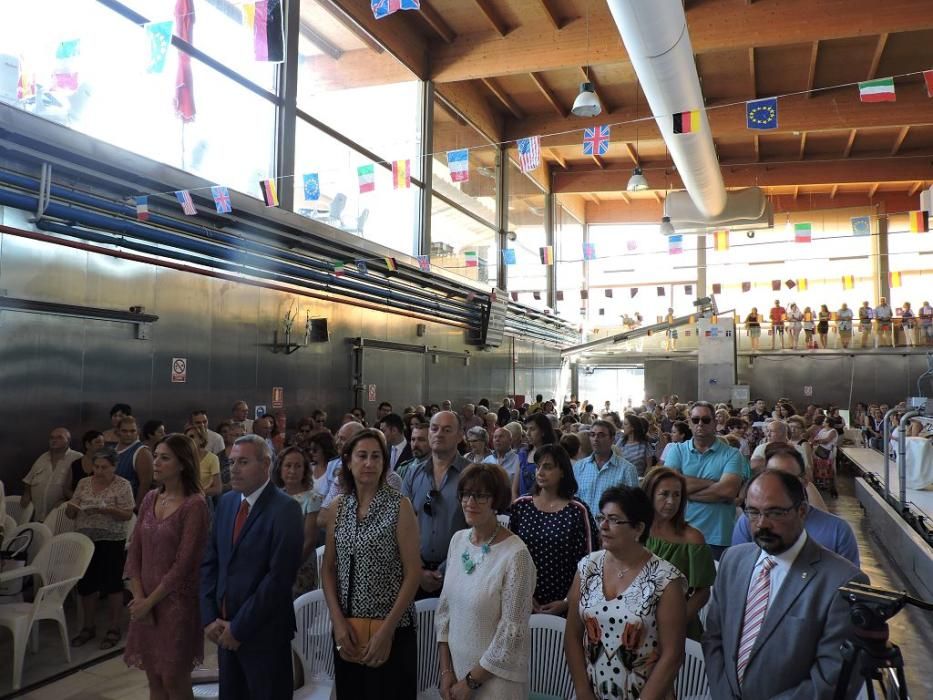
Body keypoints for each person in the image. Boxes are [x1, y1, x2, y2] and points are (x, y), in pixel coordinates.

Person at [702, 469, 868, 700]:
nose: (762, 524)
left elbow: (833, 678)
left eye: (775, 513)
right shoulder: (732, 561)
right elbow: (714, 638)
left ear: (802, 511)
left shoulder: (843, 581)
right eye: (753, 512)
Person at [200, 435, 304, 700]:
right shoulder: (226, 503)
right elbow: (211, 562)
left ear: (266, 464)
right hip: (224, 629)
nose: (233, 469)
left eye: (243, 462)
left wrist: (240, 627)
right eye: (232, 461)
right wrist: (209, 616)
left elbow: (279, 578)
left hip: (263, 633)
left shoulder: (286, 509)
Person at [321, 429, 421, 698]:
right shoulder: (338, 507)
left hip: (392, 631)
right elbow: (328, 568)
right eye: (362, 456)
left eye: (376, 457)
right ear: (348, 461)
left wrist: (386, 631)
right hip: (347, 631)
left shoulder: (400, 506)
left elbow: (413, 573)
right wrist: (338, 622)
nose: (369, 463)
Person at [565, 486, 686, 700]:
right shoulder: (587, 567)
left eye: (613, 520)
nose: (603, 526)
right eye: (601, 517)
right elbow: (572, 636)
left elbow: (672, 655)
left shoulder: (665, 579)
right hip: (592, 692)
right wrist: (583, 692)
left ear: (638, 528)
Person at [436, 463, 536, 700]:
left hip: (496, 685)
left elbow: (510, 636)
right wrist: (446, 671)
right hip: (456, 677)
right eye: (465, 494)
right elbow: (444, 612)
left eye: (480, 495)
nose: (470, 502)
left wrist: (470, 682)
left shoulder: (516, 555)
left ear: (496, 501)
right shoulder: (458, 540)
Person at [124, 433, 210, 698]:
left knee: (173, 678)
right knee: (154, 678)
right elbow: (135, 551)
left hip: (175, 602)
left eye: (164, 458)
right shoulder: (150, 498)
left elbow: (184, 564)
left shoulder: (194, 505)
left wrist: (150, 602)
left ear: (182, 463)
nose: (156, 463)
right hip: (145, 599)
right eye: (155, 457)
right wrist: (139, 599)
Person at [731, 448, 859, 565]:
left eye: (788, 479)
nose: (777, 485)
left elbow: (850, 584)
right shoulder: (747, 521)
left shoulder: (837, 531)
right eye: (772, 477)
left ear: (804, 480)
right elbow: (738, 566)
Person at [509, 445, 595, 616]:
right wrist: (523, 593)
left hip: (567, 602)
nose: (540, 472)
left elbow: (589, 563)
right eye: (538, 466)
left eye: (548, 467)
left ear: (562, 471)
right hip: (523, 599)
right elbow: (509, 556)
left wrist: (567, 601)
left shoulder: (577, 510)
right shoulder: (521, 506)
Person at [67, 447, 136, 649]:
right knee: (87, 585)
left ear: (114, 467)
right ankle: (88, 626)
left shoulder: (122, 485)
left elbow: (127, 514)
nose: (99, 471)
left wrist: (107, 510)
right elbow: (72, 512)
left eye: (104, 467)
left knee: (112, 584)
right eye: (96, 467)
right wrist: (71, 508)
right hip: (86, 539)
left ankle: (114, 627)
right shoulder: (83, 483)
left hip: (111, 539)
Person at [662, 402, 744, 560]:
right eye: (695, 419)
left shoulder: (732, 454)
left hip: (718, 537)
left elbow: (728, 491)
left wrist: (684, 493)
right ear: (690, 423)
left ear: (714, 423)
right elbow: (669, 487)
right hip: (681, 533)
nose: (700, 424)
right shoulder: (676, 451)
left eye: (706, 420)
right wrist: (714, 483)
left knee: (714, 584)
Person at [643, 467, 716, 641]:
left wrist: (674, 623)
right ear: (649, 495)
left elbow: (702, 592)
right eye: (664, 494)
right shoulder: (634, 531)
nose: (671, 502)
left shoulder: (692, 538)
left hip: (675, 628)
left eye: (677, 495)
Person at [402, 411, 469, 598]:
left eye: (447, 430)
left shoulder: (472, 474)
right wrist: (418, 569)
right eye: (435, 428)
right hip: (416, 572)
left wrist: (445, 570)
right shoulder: (413, 474)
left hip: (460, 571)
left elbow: (477, 531)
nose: (439, 434)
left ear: (459, 435)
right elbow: (403, 525)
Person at [273, 446, 322, 597]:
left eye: (298, 466)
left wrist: (287, 568)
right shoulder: (273, 497)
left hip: (299, 565)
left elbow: (309, 541)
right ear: (280, 469)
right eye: (288, 465)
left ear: (305, 470)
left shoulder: (313, 499)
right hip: (273, 563)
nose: (292, 471)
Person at [573, 419, 639, 517]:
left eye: (601, 435)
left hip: (611, 528)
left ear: (612, 439)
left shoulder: (627, 469)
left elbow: (633, 505)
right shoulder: (579, 467)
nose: (595, 439)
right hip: (582, 527)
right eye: (592, 435)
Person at [22, 427, 83, 520]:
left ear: (68, 440)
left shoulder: (77, 458)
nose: (54, 440)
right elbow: (28, 480)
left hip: (62, 516)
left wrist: (67, 500)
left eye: (59, 437)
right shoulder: (43, 457)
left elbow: (83, 486)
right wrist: (26, 493)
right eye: (52, 438)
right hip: (36, 515)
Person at [513, 413, 557, 499]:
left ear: (543, 431)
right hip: (522, 505)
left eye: (532, 429)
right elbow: (514, 489)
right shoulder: (523, 454)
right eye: (526, 429)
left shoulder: (554, 454)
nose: (528, 433)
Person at [115, 416, 154, 509]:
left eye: (132, 431)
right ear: (118, 432)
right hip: (112, 506)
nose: (128, 434)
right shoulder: (113, 449)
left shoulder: (142, 452)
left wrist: (135, 510)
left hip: (129, 508)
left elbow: (145, 484)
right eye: (124, 431)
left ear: (138, 431)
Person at [185, 424, 222, 499]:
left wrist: (197, 494)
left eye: (192, 437)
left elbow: (218, 488)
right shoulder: (183, 458)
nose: (188, 440)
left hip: (202, 499)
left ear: (201, 440)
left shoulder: (212, 458)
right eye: (186, 437)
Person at [811, 415, 838, 497]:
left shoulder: (833, 431)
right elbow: (815, 438)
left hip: (827, 452)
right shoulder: (822, 430)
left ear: (828, 423)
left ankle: (831, 486)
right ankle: (818, 482)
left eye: (824, 421)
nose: (823, 422)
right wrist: (817, 441)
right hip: (820, 450)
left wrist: (818, 441)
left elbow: (826, 441)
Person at [71, 430, 105, 495]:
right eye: (98, 442)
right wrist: (75, 499)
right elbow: (66, 488)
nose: (101, 445)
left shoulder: (106, 465)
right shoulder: (75, 464)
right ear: (87, 444)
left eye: (103, 442)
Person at [307, 431, 339, 497]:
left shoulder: (333, 470)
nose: (311, 452)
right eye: (310, 449)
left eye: (315, 450)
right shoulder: (308, 467)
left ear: (325, 449)